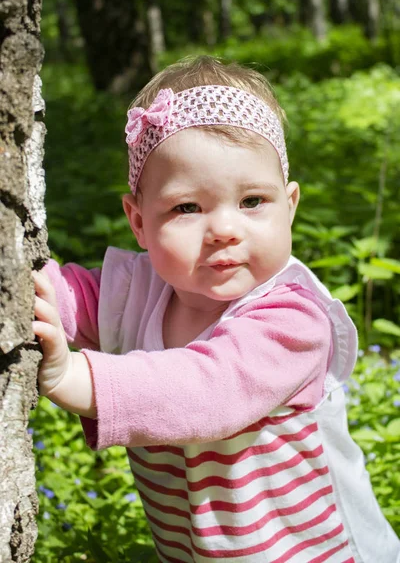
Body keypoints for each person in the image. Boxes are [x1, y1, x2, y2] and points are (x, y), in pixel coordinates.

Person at [33, 56, 400, 563]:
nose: (226, 228)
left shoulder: (292, 320)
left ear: (289, 205)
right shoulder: (135, 291)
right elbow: (63, 296)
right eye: (188, 207)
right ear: (138, 222)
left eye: (252, 201)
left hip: (311, 553)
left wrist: (74, 376)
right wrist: (33, 292)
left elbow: (207, 391)